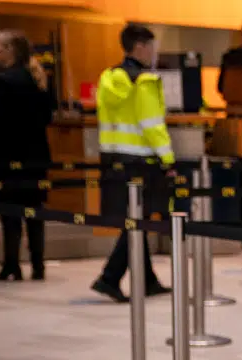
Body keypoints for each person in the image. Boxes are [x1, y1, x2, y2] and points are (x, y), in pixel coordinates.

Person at [90, 22, 170, 303]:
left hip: (113, 160)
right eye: (152, 47)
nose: (154, 52)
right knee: (138, 222)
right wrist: (168, 158)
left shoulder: (109, 78)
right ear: (140, 47)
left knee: (137, 220)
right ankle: (109, 278)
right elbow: (152, 126)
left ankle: (147, 279)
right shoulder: (144, 81)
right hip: (142, 161)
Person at [0, 31, 54, 282]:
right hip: (36, 155)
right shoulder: (38, 79)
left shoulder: (2, 82)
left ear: (11, 50)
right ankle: (38, 264)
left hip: (7, 156)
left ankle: (11, 264)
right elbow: (47, 117)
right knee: (35, 210)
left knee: (10, 212)